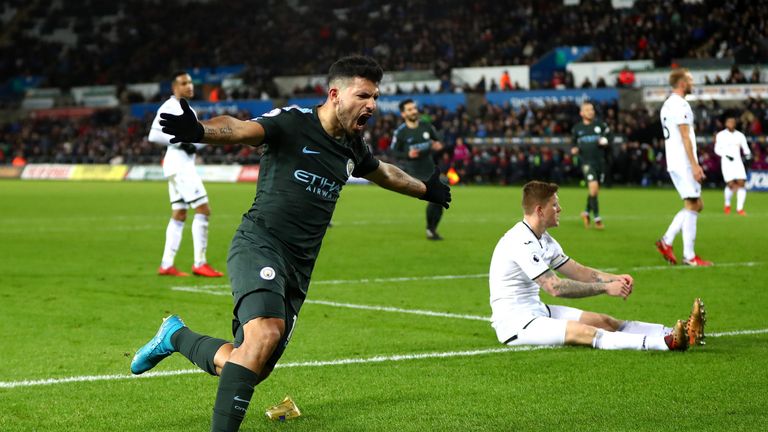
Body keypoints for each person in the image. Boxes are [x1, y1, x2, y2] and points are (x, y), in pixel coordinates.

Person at [131, 56, 451, 432]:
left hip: (299, 268)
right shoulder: (293, 122)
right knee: (264, 334)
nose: (373, 105)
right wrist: (199, 131)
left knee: (252, 364)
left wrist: (425, 189)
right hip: (260, 242)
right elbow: (239, 129)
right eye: (364, 95)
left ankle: (175, 335)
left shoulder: (353, 146)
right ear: (335, 94)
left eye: (376, 97)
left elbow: (385, 173)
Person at [488, 180, 706, 352]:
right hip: (516, 325)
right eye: (554, 205)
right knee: (585, 332)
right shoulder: (520, 241)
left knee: (605, 322)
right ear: (539, 210)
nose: (560, 208)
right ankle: (666, 342)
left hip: (538, 311)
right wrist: (604, 288)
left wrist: (614, 279)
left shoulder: (544, 239)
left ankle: (684, 332)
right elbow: (555, 288)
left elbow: (579, 271)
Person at [148, 71, 223, 278]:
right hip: (180, 166)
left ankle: (166, 264)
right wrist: (184, 142)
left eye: (190, 82)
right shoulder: (171, 106)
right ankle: (200, 263)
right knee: (203, 209)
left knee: (179, 214)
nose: (189, 86)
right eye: (184, 83)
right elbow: (154, 135)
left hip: (176, 165)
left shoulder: (186, 107)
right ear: (175, 87)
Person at [655, 68, 712, 267]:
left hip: (675, 161)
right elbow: (685, 136)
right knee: (693, 205)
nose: (692, 84)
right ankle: (679, 249)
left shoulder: (667, 105)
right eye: (690, 80)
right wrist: (695, 165)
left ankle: (676, 247)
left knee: (697, 204)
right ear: (682, 83)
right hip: (684, 162)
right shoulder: (681, 105)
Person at [390, 99, 446, 240]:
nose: (414, 111)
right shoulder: (400, 132)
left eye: (414, 108)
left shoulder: (426, 126)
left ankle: (431, 229)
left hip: (430, 169)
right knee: (437, 195)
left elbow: (438, 140)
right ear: (403, 114)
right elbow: (393, 152)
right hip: (413, 171)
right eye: (409, 109)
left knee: (440, 198)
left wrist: (437, 145)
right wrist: (407, 154)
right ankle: (431, 230)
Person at [571, 101, 611, 229]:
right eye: (587, 110)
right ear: (581, 113)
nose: (591, 112)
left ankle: (586, 212)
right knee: (593, 188)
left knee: (594, 191)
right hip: (587, 163)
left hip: (600, 162)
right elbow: (573, 145)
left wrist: (605, 141)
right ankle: (598, 219)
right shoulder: (577, 129)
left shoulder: (601, 126)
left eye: (592, 109)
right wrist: (574, 149)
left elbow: (610, 138)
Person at [714, 116, 752, 215]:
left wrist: (748, 155)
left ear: (735, 124)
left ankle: (740, 208)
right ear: (726, 124)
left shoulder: (740, 135)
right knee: (731, 185)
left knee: (741, 184)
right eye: (729, 122)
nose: (731, 124)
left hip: (738, 162)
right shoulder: (721, 135)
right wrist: (726, 155)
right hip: (726, 163)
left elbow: (746, 148)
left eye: (733, 122)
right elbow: (717, 149)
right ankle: (727, 204)